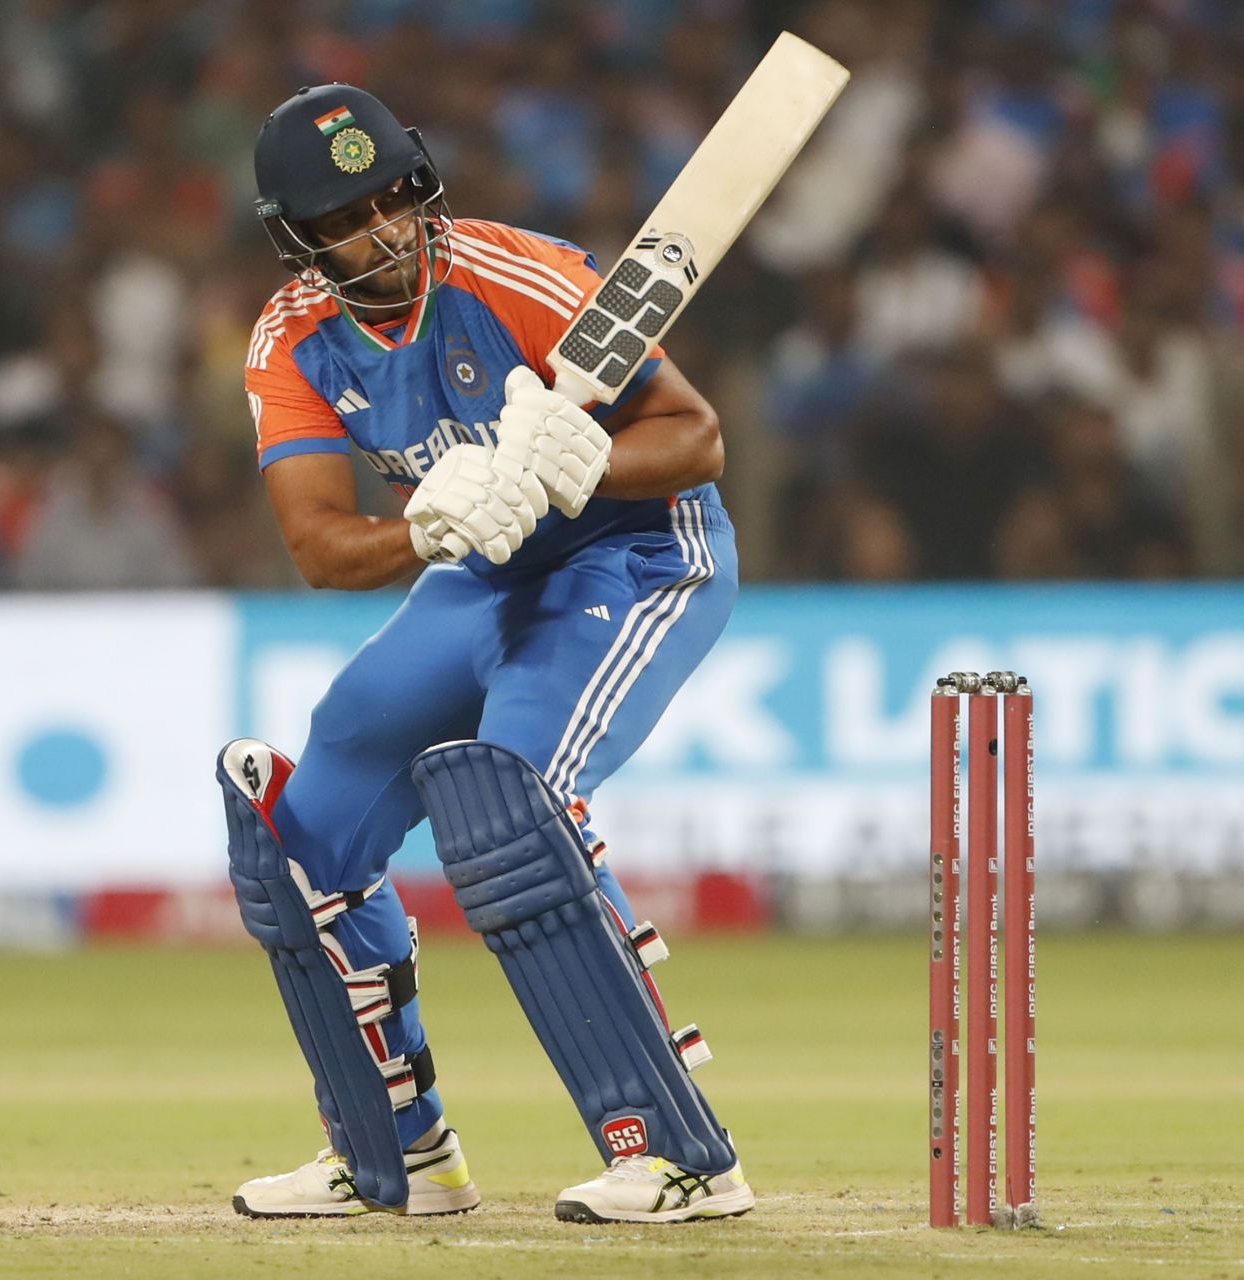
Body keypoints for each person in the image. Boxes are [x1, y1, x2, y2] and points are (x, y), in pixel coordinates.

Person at [216, 83, 749, 1224]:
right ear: (297, 237)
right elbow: (317, 543)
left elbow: (697, 436)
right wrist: (427, 527)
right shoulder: (291, 339)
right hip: (484, 571)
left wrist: (578, 465)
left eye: (397, 193)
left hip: (642, 557)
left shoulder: (522, 276)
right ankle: (393, 1151)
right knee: (302, 833)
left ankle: (680, 1153)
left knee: (513, 798)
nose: (388, 228)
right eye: (349, 215)